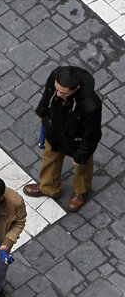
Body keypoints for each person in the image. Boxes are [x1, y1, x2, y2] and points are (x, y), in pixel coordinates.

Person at [23, 66, 102, 211]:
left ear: (76, 88)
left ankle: (80, 192)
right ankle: (49, 187)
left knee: (83, 166)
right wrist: (42, 111)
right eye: (57, 89)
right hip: (54, 129)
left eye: (63, 92)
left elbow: (92, 135)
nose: (58, 94)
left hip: (76, 139)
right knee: (50, 158)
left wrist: (80, 156)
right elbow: (47, 94)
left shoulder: (91, 106)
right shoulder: (55, 77)